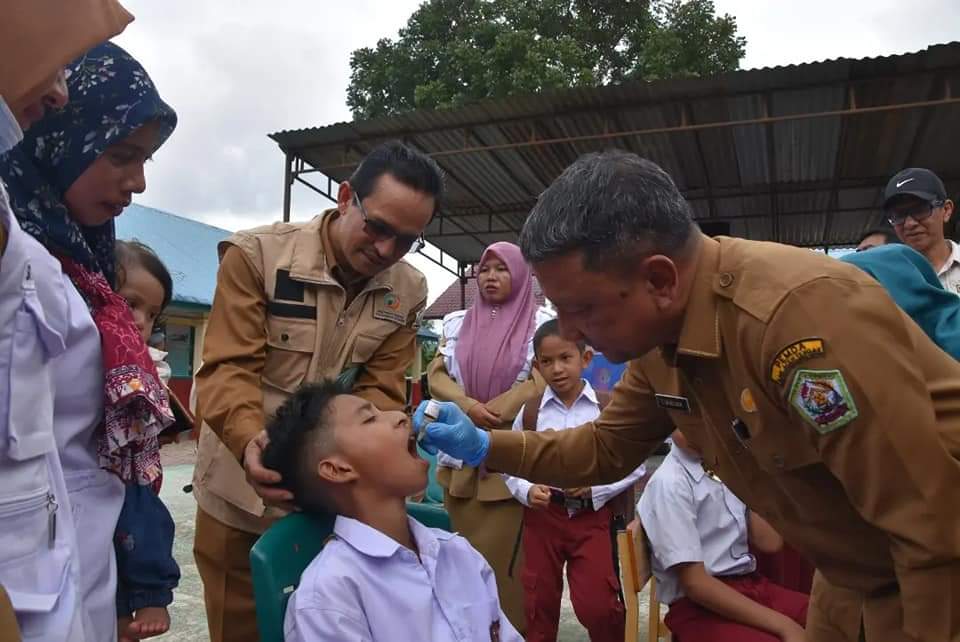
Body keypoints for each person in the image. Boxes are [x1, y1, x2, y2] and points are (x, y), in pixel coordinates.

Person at [415, 151, 960, 642]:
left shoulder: (794, 321)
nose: (573, 335)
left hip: (931, 583)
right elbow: (605, 449)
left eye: (582, 309)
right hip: (853, 580)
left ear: (659, 279)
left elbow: (929, 528)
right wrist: (488, 446)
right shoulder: (660, 341)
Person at [192, 141, 439, 642]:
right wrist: (248, 443)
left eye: (406, 240)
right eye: (378, 227)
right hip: (239, 498)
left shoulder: (407, 291)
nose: (387, 250)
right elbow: (228, 369)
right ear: (346, 197)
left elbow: (381, 390)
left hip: (332, 503)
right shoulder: (257, 256)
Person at [0, 42, 177, 642]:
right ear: (58, 136)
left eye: (147, 158)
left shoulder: (93, 269)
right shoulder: (13, 251)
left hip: (85, 565)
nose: (139, 182)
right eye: (122, 154)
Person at [260, 380, 523, 642]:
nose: (400, 416)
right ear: (338, 469)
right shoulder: (331, 595)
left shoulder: (459, 554)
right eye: (369, 419)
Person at [426, 240, 554, 631]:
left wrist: (494, 411)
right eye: (485, 269)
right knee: (456, 570)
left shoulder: (540, 324)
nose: (491, 277)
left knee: (504, 575)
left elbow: (540, 378)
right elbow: (436, 376)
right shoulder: (457, 322)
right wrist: (468, 407)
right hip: (460, 472)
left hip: (506, 466)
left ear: (520, 275)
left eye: (502, 269)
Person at [503, 319, 645, 642]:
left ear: (586, 358)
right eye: (547, 361)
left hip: (592, 518)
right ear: (537, 365)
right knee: (539, 603)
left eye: (565, 358)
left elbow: (634, 463)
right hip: (543, 518)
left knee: (600, 606)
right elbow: (510, 461)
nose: (557, 369)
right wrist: (526, 490)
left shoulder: (609, 409)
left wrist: (597, 486)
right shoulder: (531, 412)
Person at [638, 429, 808, 641]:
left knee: (833, 620)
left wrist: (748, 475)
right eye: (681, 422)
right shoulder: (671, 483)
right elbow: (695, 585)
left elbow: (770, 542)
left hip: (750, 586)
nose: (696, 428)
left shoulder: (722, 468)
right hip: (699, 607)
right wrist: (783, 625)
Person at [112, 240, 180, 641]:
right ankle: (122, 614)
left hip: (132, 474)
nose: (141, 320)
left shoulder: (145, 359)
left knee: (146, 523)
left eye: (152, 313)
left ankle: (153, 596)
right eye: (131, 303)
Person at [883, 167, 959, 293]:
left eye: (920, 210)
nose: (909, 223)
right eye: (898, 215)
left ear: (946, 210)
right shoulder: (886, 282)